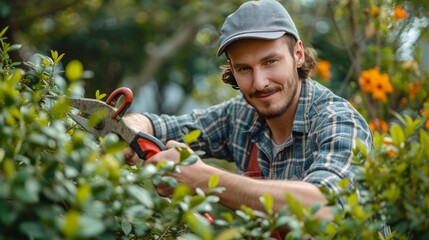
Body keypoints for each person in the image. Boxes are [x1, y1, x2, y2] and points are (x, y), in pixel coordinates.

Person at [124, 0, 375, 236]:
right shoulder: (241, 116)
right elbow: (161, 126)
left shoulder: (338, 120)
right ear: (232, 69)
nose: (260, 83)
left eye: (270, 62)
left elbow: (324, 207)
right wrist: (131, 128)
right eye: (244, 68)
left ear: (298, 54)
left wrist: (204, 179)